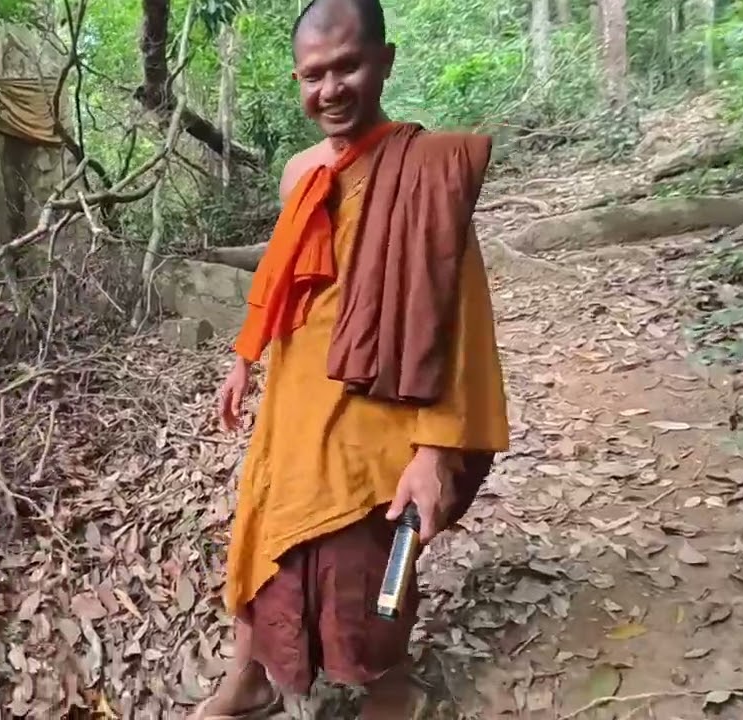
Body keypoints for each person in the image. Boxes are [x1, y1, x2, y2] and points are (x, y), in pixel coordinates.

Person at [197, 0, 510, 718]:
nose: (330, 88)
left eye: (347, 67)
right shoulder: (299, 171)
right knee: (264, 539)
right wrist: (245, 357)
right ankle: (249, 679)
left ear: (385, 62)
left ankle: (388, 689)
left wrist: (435, 448)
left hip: (383, 403)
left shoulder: (426, 171)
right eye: (313, 74)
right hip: (295, 396)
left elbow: (460, 316)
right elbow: (282, 269)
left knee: (364, 562)